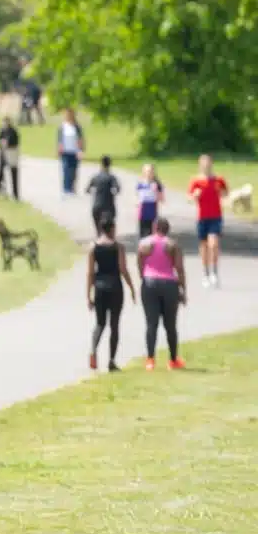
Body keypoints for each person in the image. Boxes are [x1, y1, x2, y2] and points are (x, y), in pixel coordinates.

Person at [136, 218, 187, 370]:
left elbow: (139, 263)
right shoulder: (172, 245)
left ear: (154, 227)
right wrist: (183, 289)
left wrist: (144, 277)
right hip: (169, 284)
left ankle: (150, 360)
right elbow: (179, 268)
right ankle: (173, 360)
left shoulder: (144, 244)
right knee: (170, 325)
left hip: (149, 282)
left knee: (151, 323)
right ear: (167, 229)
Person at [86, 217, 136, 371]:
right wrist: (131, 287)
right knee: (114, 325)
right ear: (112, 228)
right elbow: (123, 269)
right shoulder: (118, 247)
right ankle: (111, 361)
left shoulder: (93, 247)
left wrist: (88, 295)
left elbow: (90, 273)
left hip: (100, 288)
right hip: (115, 287)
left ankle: (93, 350)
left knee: (100, 323)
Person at [187, 154, 227, 288]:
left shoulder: (219, 180)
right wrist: (195, 195)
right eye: (204, 164)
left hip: (216, 216)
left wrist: (221, 192)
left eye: (208, 163)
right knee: (204, 246)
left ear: (211, 164)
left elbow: (226, 193)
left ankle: (214, 272)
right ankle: (205, 273)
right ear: (200, 165)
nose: (206, 166)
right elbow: (189, 198)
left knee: (213, 244)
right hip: (202, 217)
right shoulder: (196, 181)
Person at [85, 155, 120, 233]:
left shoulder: (95, 177)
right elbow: (117, 189)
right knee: (108, 230)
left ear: (101, 164)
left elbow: (87, 190)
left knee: (98, 231)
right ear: (109, 165)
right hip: (108, 207)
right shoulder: (111, 178)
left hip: (97, 206)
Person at [57, 108, 84, 196]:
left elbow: (80, 139)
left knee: (73, 171)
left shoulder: (77, 127)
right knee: (66, 170)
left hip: (74, 152)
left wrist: (80, 151)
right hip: (65, 152)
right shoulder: (62, 126)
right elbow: (59, 139)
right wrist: (59, 149)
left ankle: (72, 188)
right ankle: (66, 189)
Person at [135, 163, 165, 238]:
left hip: (152, 214)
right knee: (142, 236)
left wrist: (156, 191)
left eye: (150, 171)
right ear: (143, 172)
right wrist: (137, 203)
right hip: (142, 213)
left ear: (153, 172)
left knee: (152, 236)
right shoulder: (140, 184)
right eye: (146, 171)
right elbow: (137, 197)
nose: (148, 173)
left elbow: (162, 199)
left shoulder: (157, 184)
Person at [0, 116, 21, 200]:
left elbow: (16, 142)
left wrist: (7, 144)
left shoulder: (13, 131)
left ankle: (15, 194)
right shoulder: (2, 130)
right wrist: (1, 144)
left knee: (14, 174)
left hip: (11, 155)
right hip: (3, 155)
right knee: (0, 173)